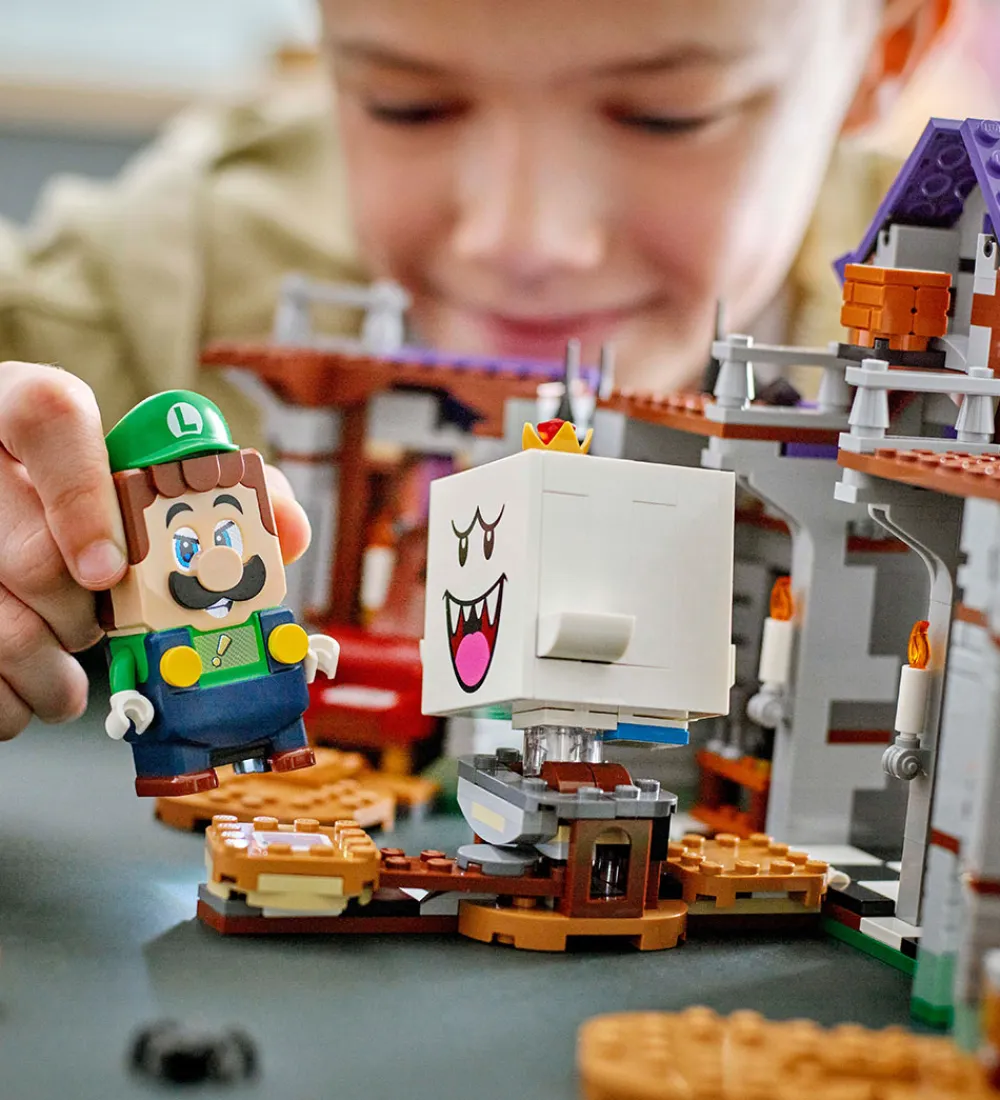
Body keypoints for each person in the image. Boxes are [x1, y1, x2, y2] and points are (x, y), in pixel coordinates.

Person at [0, 0, 955, 739]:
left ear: (888, 46)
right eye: (406, 106)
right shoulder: (162, 288)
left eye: (667, 117)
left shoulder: (955, 310)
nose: (524, 240)